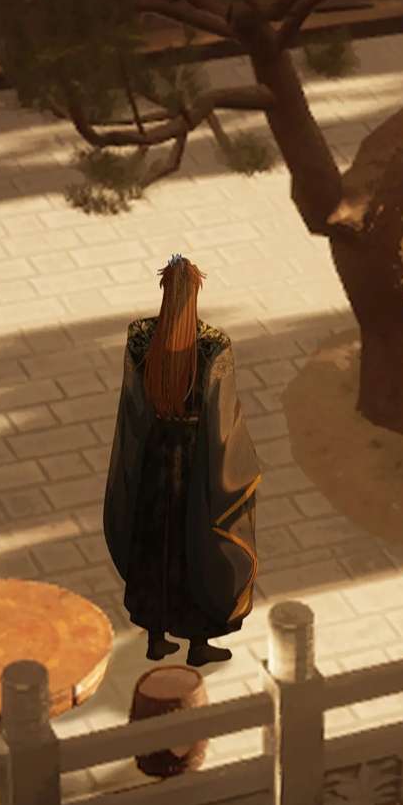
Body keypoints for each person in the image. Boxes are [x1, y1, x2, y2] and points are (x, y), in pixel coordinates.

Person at [103, 254, 261, 666]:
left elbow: (134, 404)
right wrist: (236, 465)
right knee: (195, 546)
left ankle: (156, 639)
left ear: (164, 291)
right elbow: (222, 418)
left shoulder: (141, 338)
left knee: (154, 544)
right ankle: (198, 645)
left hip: (155, 457)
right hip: (194, 460)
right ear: (194, 293)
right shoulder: (212, 345)